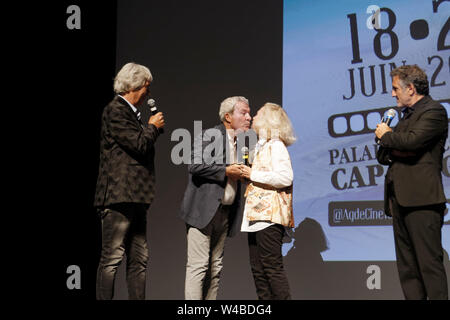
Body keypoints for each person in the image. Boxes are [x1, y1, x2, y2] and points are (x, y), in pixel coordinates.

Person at [375, 64, 448, 300]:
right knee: (408, 270)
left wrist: (388, 136)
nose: (393, 94)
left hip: (423, 201)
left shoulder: (434, 111)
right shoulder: (405, 117)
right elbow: (383, 154)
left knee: (429, 266)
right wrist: (394, 142)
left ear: (411, 88)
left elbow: (413, 143)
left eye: (396, 88)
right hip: (400, 200)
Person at [94, 62, 165, 300]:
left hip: (135, 196)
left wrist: (150, 128)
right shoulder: (115, 110)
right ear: (135, 85)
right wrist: (153, 127)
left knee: (139, 259)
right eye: (147, 87)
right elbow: (138, 144)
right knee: (112, 258)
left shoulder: (131, 114)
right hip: (118, 196)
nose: (148, 93)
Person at [179, 96, 251, 300]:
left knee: (215, 267)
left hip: (225, 213)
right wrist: (227, 171)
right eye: (243, 113)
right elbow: (194, 165)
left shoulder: (242, 142)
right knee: (199, 265)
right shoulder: (211, 135)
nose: (249, 117)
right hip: (203, 211)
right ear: (228, 117)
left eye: (249, 112)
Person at [240, 103, 296, 300]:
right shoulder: (262, 146)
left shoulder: (276, 146)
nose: (253, 116)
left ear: (268, 120)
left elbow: (285, 177)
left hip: (270, 217)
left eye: (258, 113)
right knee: (258, 271)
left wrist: (253, 173)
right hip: (256, 216)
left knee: (272, 268)